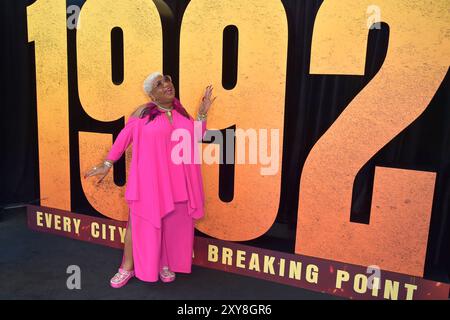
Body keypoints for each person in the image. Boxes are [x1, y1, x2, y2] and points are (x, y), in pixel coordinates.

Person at [84, 72, 216, 287]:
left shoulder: (181, 113)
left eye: (167, 81)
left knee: (170, 221)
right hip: (151, 179)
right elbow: (124, 138)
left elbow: (197, 136)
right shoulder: (143, 113)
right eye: (159, 84)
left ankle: (164, 262)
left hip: (178, 180)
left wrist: (202, 113)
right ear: (151, 95)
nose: (167, 85)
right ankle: (126, 268)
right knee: (139, 222)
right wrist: (107, 164)